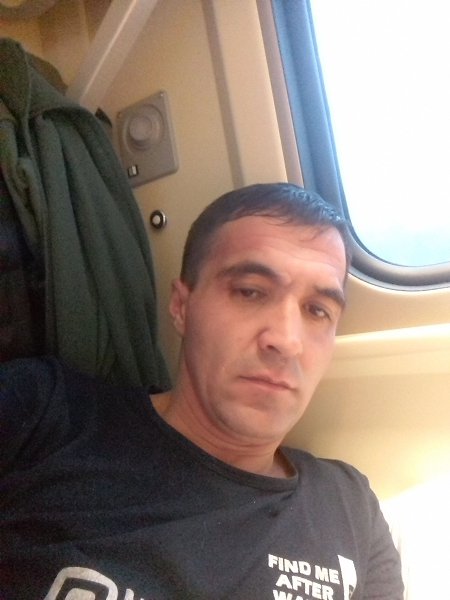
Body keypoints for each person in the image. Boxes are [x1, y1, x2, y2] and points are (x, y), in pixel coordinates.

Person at [0, 183, 403, 599]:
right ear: (181, 307)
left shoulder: (350, 507)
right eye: (250, 291)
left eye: (317, 311)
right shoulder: (43, 413)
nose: (286, 340)